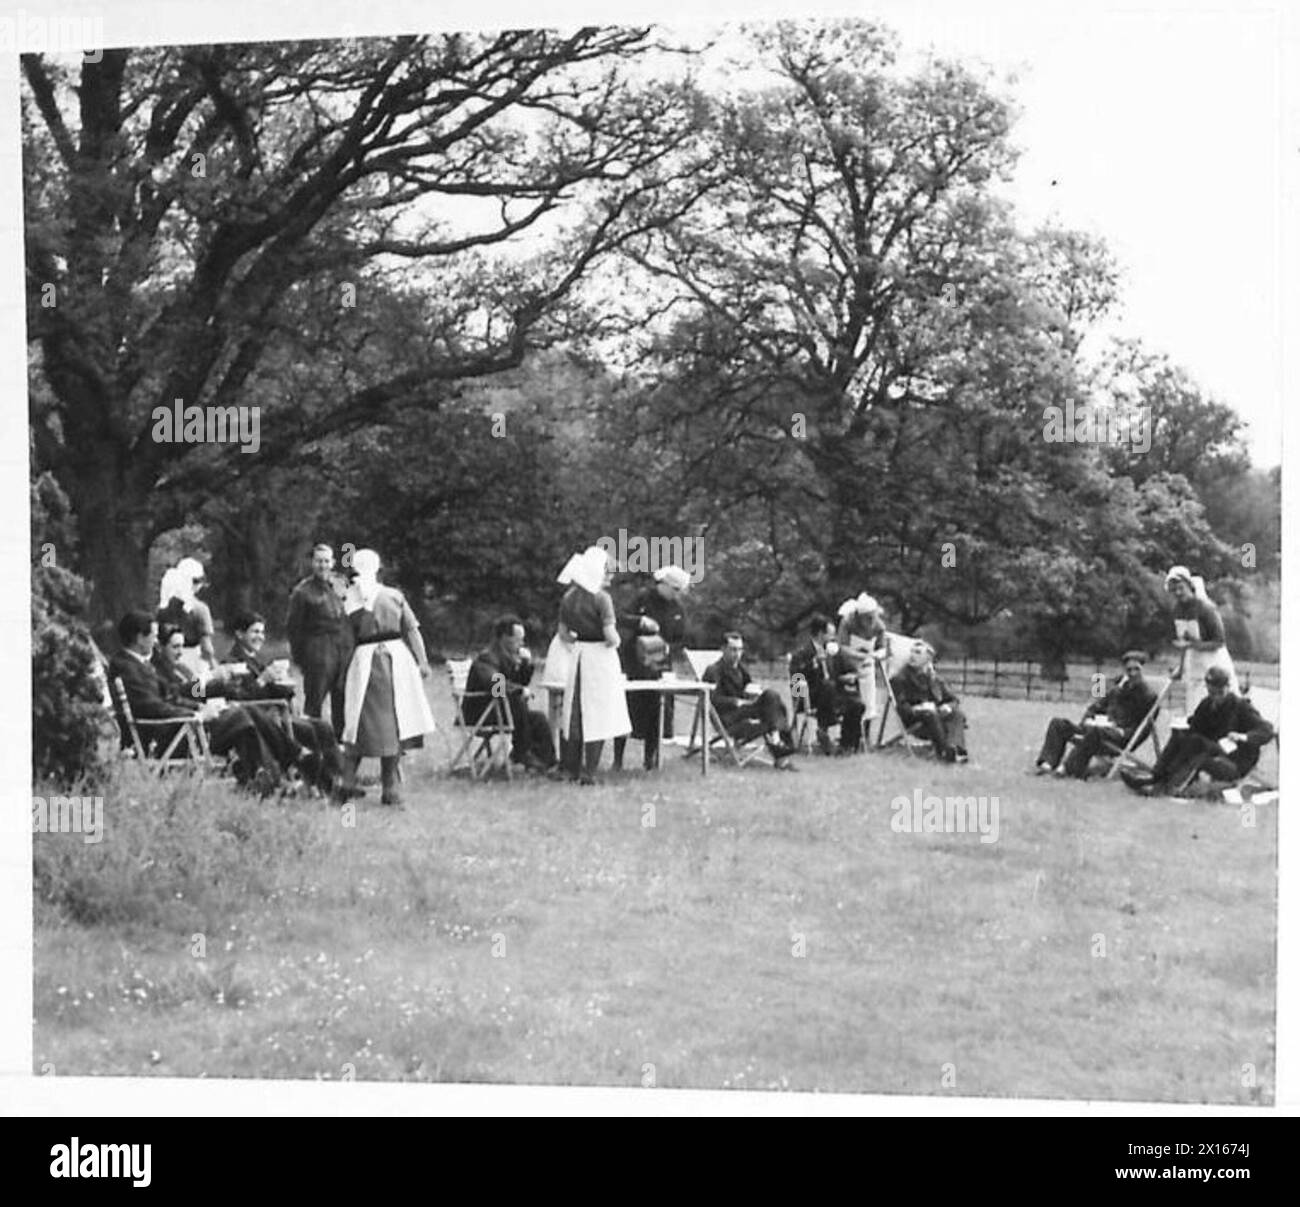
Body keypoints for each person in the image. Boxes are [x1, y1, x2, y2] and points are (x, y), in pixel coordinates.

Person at [109, 611, 279, 789]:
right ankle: (270, 775)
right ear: (159, 646)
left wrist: (211, 689)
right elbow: (174, 697)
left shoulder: (180, 668)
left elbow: (180, 693)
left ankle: (269, 773)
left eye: (182, 646)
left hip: (187, 718)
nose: (180, 652)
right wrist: (205, 691)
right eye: (175, 647)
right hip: (176, 729)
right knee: (242, 717)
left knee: (245, 716)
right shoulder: (158, 668)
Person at [222, 610, 356, 800]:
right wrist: (262, 680)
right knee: (309, 730)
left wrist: (284, 684)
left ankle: (339, 781)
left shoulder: (256, 659)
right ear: (239, 634)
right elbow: (239, 699)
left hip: (275, 712)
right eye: (254, 632)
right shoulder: (232, 663)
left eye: (262, 632)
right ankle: (320, 785)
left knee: (323, 726)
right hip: (261, 722)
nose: (260, 637)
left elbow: (275, 690)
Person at [339, 549, 436, 806]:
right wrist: (422, 661)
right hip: (396, 660)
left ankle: (348, 782)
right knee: (394, 719)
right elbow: (412, 631)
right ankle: (389, 787)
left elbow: (345, 640)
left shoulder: (349, 599)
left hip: (365, 661)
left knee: (361, 720)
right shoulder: (393, 596)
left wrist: (343, 670)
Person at [541, 546, 632, 785]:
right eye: (607, 571)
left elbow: (563, 633)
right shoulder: (602, 599)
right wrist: (617, 641)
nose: (610, 576)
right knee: (597, 714)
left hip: (579, 655)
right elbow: (610, 635)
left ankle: (569, 768)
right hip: (601, 658)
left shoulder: (569, 597)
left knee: (573, 712)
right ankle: (589, 772)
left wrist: (578, 641)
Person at [1121, 666, 1273, 797]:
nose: (1216, 697)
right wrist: (1182, 723)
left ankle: (1164, 785)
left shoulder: (1241, 707)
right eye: (1212, 692)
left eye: (1220, 692)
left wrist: (1243, 736)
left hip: (1235, 761)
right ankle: (1156, 776)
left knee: (1196, 742)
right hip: (1213, 750)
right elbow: (1196, 724)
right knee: (1181, 736)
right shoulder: (1207, 704)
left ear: (1228, 687)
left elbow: (1266, 729)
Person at [1034, 650, 1159, 778]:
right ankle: (1046, 764)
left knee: (1095, 731)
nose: (1133, 673)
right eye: (1129, 670)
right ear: (1124, 670)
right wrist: (1087, 720)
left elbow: (1143, 729)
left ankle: (1067, 769)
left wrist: (1122, 732)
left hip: (1118, 736)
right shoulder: (1117, 689)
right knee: (1058, 724)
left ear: (1143, 669)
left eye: (1136, 669)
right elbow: (1095, 708)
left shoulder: (1148, 696)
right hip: (1097, 729)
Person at [465, 615, 557, 774]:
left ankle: (547, 762)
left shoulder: (508, 658)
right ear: (504, 638)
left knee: (538, 718)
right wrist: (519, 690)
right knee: (518, 703)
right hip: (481, 712)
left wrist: (526, 665)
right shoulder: (487, 657)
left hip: (501, 710)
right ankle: (522, 754)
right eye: (518, 639)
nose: (521, 644)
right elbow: (495, 684)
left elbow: (520, 683)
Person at [286, 544, 354, 739]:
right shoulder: (302, 591)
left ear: (332, 562)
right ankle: (310, 744)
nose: (323, 565)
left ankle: (340, 746)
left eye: (326, 561)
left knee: (342, 698)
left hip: (343, 648)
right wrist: (301, 658)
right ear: (312, 563)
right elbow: (293, 628)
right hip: (318, 649)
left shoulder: (341, 584)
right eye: (318, 561)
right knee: (315, 699)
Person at [702, 632, 798, 770]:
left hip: (745, 711)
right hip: (727, 717)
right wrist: (736, 702)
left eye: (740, 649)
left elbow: (750, 687)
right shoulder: (713, 670)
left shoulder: (741, 669)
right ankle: (780, 747)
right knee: (772, 700)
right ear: (723, 649)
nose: (737, 654)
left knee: (772, 698)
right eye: (733, 649)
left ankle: (778, 743)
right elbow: (711, 699)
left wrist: (754, 693)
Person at [1164, 565, 1237, 716]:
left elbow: (1219, 641)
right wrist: (1181, 667)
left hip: (1214, 659)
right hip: (1194, 661)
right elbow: (1184, 643)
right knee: (1196, 704)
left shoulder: (1206, 608)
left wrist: (1195, 644)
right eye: (1174, 590)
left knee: (1219, 705)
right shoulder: (1178, 610)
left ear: (1189, 586)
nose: (1178, 593)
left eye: (1181, 588)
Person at [790, 614, 866, 754]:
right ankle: (824, 730)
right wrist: (812, 664)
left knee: (857, 704)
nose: (834, 638)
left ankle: (847, 745)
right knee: (827, 686)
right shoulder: (801, 654)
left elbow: (851, 670)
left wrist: (851, 676)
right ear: (820, 634)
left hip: (834, 696)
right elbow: (795, 684)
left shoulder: (834, 651)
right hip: (811, 697)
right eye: (831, 634)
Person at [889, 640, 969, 762]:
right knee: (930, 713)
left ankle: (955, 750)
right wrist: (920, 708)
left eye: (917, 652)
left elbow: (954, 700)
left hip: (936, 715)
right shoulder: (900, 679)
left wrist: (947, 707)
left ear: (928, 659)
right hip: (916, 719)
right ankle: (944, 752)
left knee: (957, 714)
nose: (912, 655)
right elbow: (902, 708)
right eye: (911, 651)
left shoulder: (935, 679)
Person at [157, 558, 217, 673]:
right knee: (197, 690)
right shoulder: (200, 609)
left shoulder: (163, 609)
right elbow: (207, 649)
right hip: (194, 663)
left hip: (168, 662)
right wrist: (213, 667)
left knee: (176, 689)